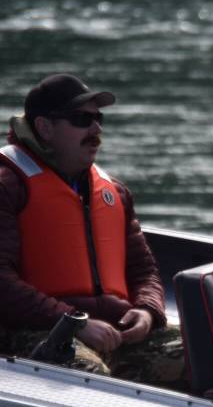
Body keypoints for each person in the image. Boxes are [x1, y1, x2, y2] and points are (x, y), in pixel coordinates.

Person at [0, 73, 184, 387]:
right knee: (90, 381)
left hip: (112, 330)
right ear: (45, 128)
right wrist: (72, 322)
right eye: (81, 119)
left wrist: (147, 311)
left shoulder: (115, 192)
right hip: (35, 330)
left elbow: (144, 271)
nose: (96, 129)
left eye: (98, 119)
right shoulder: (8, 185)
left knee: (208, 352)